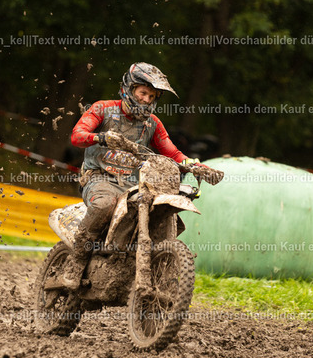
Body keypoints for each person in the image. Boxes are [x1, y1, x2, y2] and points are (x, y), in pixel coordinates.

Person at [59, 62, 223, 289]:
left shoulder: (152, 124)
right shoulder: (103, 109)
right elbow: (77, 136)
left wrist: (194, 165)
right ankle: (76, 261)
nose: (146, 99)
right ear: (129, 88)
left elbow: (172, 152)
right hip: (99, 177)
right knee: (105, 204)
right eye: (143, 93)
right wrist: (101, 137)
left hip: (134, 184)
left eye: (152, 96)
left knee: (164, 214)